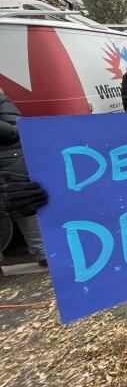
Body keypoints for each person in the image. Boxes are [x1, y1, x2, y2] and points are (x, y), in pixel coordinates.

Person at [0, 89, 49, 267]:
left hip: (11, 166)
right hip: (12, 162)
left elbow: (15, 129)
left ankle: (43, 255)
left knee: (25, 208)